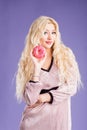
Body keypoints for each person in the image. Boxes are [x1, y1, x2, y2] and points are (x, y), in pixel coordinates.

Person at [16, 16, 82, 130]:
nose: (50, 37)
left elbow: (71, 86)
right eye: (45, 32)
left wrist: (46, 96)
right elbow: (30, 99)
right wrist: (37, 68)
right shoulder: (28, 60)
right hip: (33, 122)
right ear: (36, 34)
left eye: (53, 32)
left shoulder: (65, 55)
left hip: (59, 120)